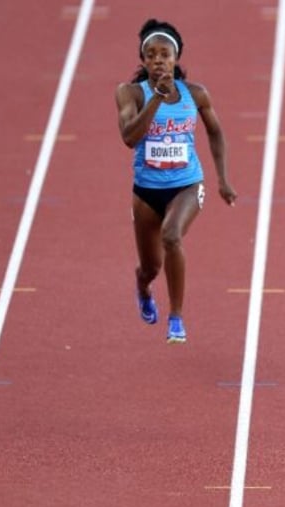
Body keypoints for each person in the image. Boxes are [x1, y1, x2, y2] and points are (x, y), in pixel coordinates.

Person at [115, 19, 237, 344]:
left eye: (164, 54)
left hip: (187, 184)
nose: (158, 60)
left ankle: (176, 317)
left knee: (172, 236)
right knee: (151, 267)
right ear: (142, 61)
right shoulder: (130, 94)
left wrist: (223, 179)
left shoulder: (195, 95)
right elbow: (129, 137)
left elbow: (216, 132)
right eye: (151, 54)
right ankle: (142, 287)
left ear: (176, 58)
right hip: (146, 192)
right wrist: (155, 99)